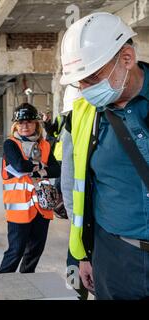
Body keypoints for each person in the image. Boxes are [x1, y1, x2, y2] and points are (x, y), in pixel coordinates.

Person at [60, 12, 149, 299]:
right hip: (114, 258)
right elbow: (76, 187)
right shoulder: (84, 114)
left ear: (126, 58)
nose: (85, 90)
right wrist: (82, 255)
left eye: (93, 78)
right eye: (79, 83)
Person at [0, 103, 61, 274]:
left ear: (36, 124)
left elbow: (57, 169)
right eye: (20, 123)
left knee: (35, 251)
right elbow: (19, 165)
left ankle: (26, 281)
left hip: (42, 208)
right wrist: (42, 166)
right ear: (15, 125)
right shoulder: (10, 144)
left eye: (29, 122)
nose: (24, 126)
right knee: (15, 251)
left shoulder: (45, 145)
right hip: (20, 209)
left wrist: (38, 169)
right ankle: (0, 281)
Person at [59, 86, 89, 300]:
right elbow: (68, 179)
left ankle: (75, 293)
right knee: (74, 256)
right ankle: (75, 293)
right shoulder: (74, 124)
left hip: (82, 213)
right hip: (80, 212)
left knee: (74, 254)